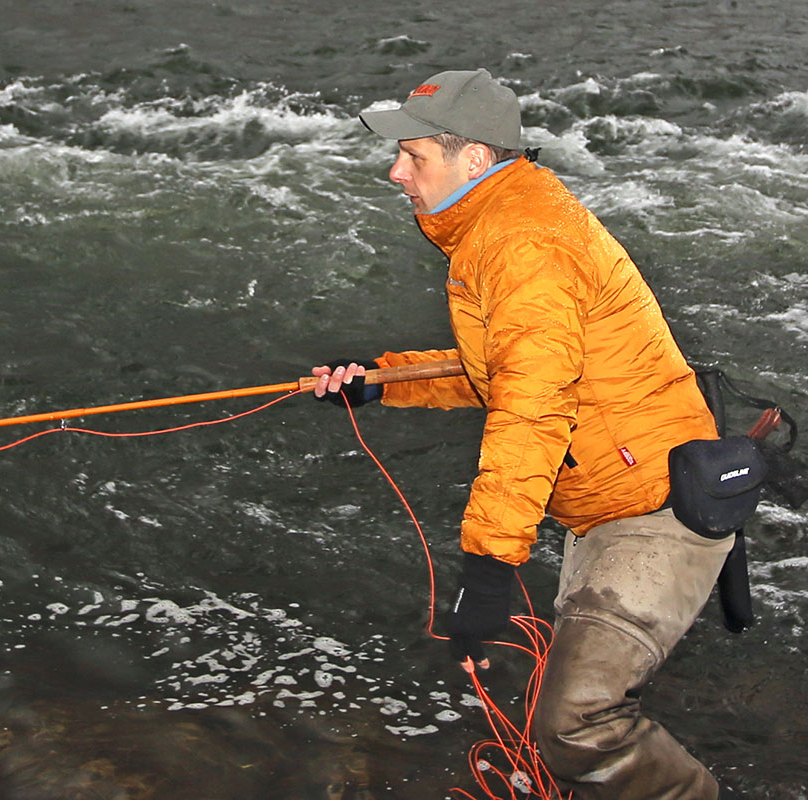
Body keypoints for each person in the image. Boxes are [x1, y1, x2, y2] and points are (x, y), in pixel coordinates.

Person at [313, 68, 733, 800]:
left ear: (473, 158)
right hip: (609, 491)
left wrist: (488, 562)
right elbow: (506, 365)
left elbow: (533, 404)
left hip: (649, 507)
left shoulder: (522, 244)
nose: (395, 171)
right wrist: (382, 381)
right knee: (574, 718)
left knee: (577, 724)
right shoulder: (501, 222)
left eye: (413, 156)